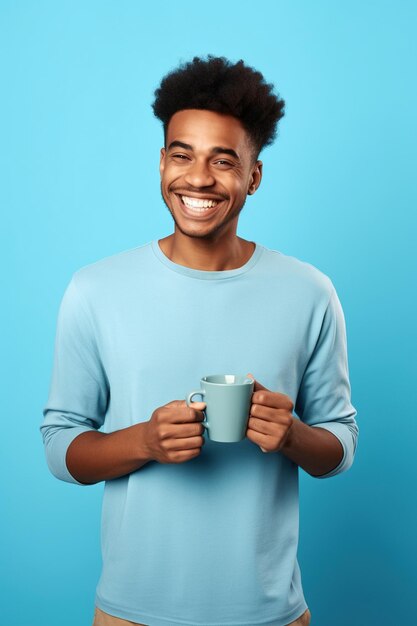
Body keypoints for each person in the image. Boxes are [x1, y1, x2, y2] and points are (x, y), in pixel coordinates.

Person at [41, 56, 358, 626]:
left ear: (253, 177)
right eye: (182, 154)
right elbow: (61, 449)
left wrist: (292, 436)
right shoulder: (94, 289)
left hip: (273, 616)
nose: (198, 178)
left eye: (223, 160)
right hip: (130, 614)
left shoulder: (309, 291)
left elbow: (340, 444)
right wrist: (144, 441)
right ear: (161, 162)